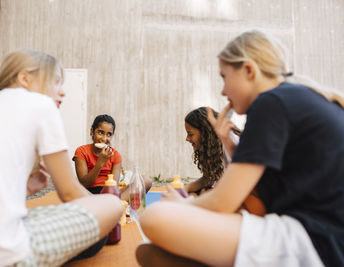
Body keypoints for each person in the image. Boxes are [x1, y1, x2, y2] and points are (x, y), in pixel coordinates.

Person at [137, 30, 344, 267]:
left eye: (224, 77)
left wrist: (184, 204)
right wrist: (230, 144)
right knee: (151, 254)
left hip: (315, 240)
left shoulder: (271, 102)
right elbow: (263, 180)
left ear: (248, 70)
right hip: (321, 236)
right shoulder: (295, 99)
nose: (223, 91)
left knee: (155, 217)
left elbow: (223, 201)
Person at [0, 49, 122, 266]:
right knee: (111, 205)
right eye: (56, 81)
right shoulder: (41, 105)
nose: (62, 92)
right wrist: (104, 213)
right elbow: (70, 193)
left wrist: (25, 188)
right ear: (24, 78)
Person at [73, 115, 152, 201]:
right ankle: (113, 206)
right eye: (100, 132)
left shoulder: (115, 155)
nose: (104, 138)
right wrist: (100, 163)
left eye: (109, 134)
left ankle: (112, 204)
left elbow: (114, 186)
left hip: (109, 194)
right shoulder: (81, 151)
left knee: (146, 181)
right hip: (89, 194)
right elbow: (84, 184)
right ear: (92, 132)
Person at [184, 107, 240, 195]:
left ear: (205, 133)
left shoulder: (229, 142)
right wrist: (186, 188)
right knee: (193, 194)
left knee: (197, 196)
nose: (187, 139)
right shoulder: (213, 148)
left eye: (190, 134)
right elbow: (208, 178)